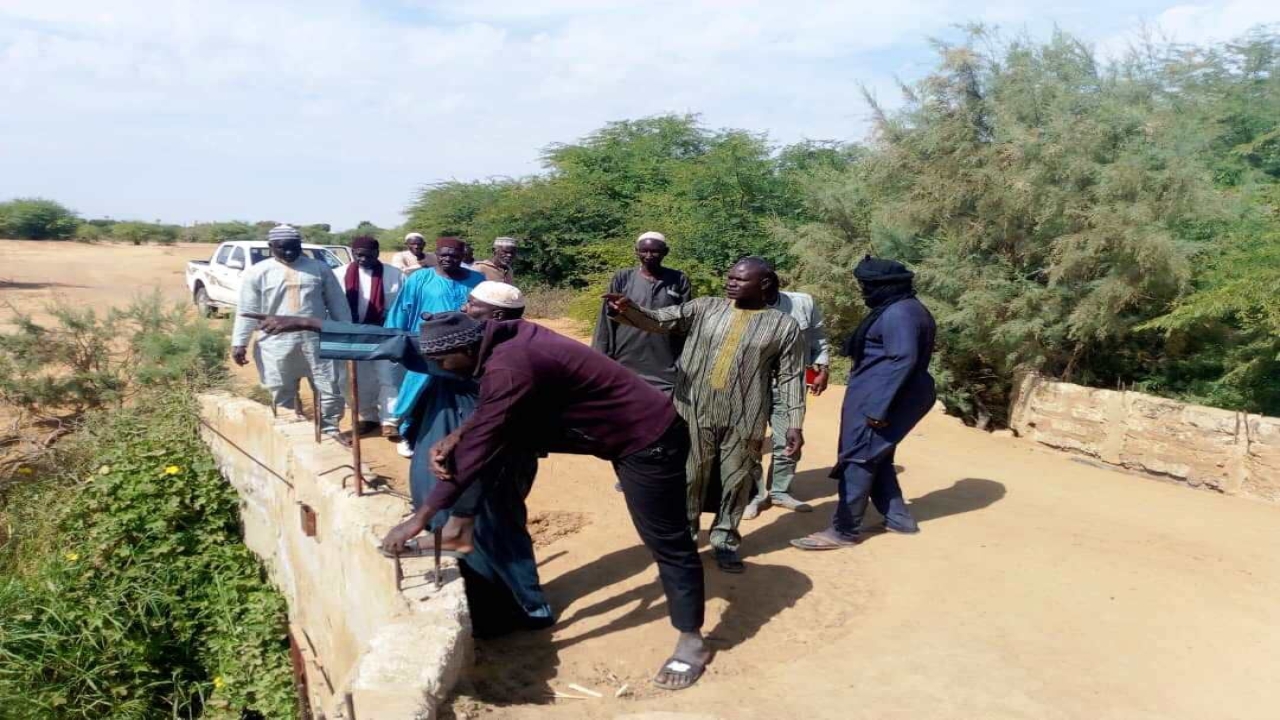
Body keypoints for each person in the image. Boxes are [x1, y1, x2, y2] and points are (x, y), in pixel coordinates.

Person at [243, 310, 711, 691]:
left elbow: (488, 430)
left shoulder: (512, 363)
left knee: (666, 540)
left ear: (467, 350)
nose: (442, 370)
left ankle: (691, 639)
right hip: (579, 427)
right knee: (481, 448)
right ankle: (461, 531)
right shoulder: (493, 340)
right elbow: (480, 406)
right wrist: (311, 323)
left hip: (645, 439)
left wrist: (420, 517)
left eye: (445, 363)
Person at [605, 257, 806, 574]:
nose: (730, 283)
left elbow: (791, 377)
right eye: (730, 277)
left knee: (736, 480)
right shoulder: (704, 307)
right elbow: (660, 321)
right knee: (689, 477)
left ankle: (725, 541)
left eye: (739, 279)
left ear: (764, 284)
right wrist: (628, 310)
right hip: (692, 412)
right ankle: (685, 539)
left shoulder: (783, 326)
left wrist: (794, 422)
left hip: (746, 416)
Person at [791, 256, 936, 550]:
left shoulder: (899, 314)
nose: (863, 291)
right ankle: (898, 519)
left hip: (885, 399)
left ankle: (844, 530)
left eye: (867, 286)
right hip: (883, 394)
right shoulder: (905, 308)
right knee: (877, 456)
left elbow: (903, 359)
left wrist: (878, 409)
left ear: (886, 286)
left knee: (858, 458)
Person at [231, 224, 351, 442]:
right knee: (280, 388)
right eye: (282, 248)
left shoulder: (320, 269)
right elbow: (247, 310)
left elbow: (338, 304)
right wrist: (240, 343)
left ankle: (330, 430)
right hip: (276, 342)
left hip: (317, 340)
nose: (289, 252)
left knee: (329, 386)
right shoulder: (258, 272)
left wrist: (346, 333)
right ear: (270, 247)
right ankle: (290, 433)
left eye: (294, 247)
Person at [384, 237, 484, 457]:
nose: (448, 259)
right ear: (436, 255)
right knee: (419, 391)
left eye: (454, 255)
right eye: (443, 254)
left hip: (465, 349)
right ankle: (408, 433)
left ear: (462, 256)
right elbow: (402, 309)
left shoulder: (478, 280)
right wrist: (393, 339)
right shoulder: (420, 278)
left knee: (461, 395)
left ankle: (459, 440)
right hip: (426, 345)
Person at [744, 272, 831, 518]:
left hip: (790, 382)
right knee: (750, 440)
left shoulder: (803, 302)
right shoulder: (739, 307)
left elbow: (818, 338)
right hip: (751, 383)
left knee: (788, 438)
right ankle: (754, 495)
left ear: (768, 284)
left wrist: (822, 368)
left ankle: (780, 492)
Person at [592, 231, 692, 396]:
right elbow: (606, 321)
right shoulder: (623, 277)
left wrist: (681, 362)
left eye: (655, 251)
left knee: (662, 405)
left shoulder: (679, 279)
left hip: (665, 365)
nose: (648, 255)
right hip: (625, 360)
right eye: (644, 251)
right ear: (636, 251)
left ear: (665, 252)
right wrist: (601, 359)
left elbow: (685, 324)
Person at [333, 235, 404, 439]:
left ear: (377, 253)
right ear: (353, 253)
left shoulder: (395, 275)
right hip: (351, 336)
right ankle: (368, 417)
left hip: (385, 335)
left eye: (369, 255)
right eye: (359, 255)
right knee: (353, 380)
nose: (363, 259)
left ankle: (390, 421)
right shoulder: (338, 275)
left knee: (389, 377)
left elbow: (403, 306)